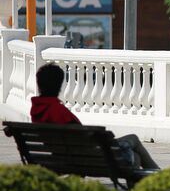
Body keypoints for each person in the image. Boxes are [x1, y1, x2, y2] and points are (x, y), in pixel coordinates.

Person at [31, 63, 160, 170]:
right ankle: (161, 179)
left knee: (135, 157)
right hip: (92, 157)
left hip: (66, 156)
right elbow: (84, 140)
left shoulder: (37, 109)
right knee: (133, 140)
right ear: (58, 85)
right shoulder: (57, 110)